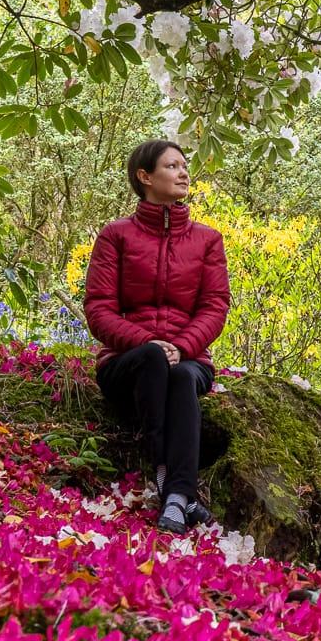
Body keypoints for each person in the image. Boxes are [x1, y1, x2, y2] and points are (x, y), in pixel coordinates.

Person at [83, 139, 231, 533]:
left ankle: (177, 494)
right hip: (127, 363)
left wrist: (180, 347)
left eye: (185, 166)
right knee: (152, 358)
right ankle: (169, 476)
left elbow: (215, 307)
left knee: (182, 374)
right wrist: (149, 343)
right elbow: (98, 309)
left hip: (189, 360)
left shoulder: (207, 240)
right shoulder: (116, 236)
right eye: (172, 166)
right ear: (144, 177)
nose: (184, 173)